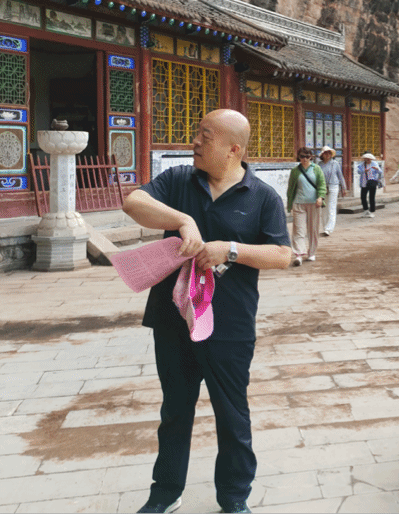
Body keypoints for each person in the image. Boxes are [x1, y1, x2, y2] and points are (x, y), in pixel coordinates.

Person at [122, 109, 291, 514]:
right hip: (173, 318)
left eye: (205, 136)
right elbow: (133, 202)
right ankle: (165, 493)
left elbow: (282, 254)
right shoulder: (179, 180)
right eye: (197, 133)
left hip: (229, 325)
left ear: (233, 150)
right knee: (174, 411)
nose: (195, 142)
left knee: (232, 415)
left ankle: (234, 496)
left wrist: (229, 249)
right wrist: (183, 220)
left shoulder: (262, 196)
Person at [287, 147, 327, 265]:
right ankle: (298, 254)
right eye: (302, 156)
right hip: (298, 203)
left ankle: (311, 252)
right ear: (298, 157)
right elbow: (291, 188)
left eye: (307, 156)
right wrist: (290, 204)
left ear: (311, 157)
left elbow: (322, 184)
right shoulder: (295, 171)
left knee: (313, 229)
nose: (305, 159)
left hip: (314, 204)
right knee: (298, 229)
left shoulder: (316, 169)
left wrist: (320, 197)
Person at [318, 146, 346, 236]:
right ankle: (325, 227)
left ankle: (329, 229)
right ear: (322, 155)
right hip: (323, 188)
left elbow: (340, 176)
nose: (327, 155)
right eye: (325, 153)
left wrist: (343, 187)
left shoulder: (335, 164)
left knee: (331, 207)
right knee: (324, 208)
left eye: (329, 153)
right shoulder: (319, 165)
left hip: (333, 186)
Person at [357, 152, 382, 218]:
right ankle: (365, 210)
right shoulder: (361, 165)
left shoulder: (374, 163)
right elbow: (358, 172)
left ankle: (372, 211)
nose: (368, 160)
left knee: (371, 197)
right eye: (366, 159)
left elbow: (380, 172)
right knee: (363, 197)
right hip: (364, 182)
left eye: (369, 159)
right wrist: (364, 171)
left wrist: (377, 169)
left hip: (372, 181)